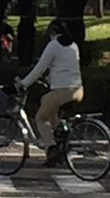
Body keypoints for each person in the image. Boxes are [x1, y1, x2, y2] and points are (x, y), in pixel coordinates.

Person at [18, 18, 83, 164]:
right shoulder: (74, 46)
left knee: (40, 118)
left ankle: (51, 149)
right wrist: (50, 79)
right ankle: (60, 134)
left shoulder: (53, 46)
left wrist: (23, 84)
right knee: (45, 101)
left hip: (61, 91)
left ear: (52, 32)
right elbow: (65, 68)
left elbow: (39, 69)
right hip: (78, 90)